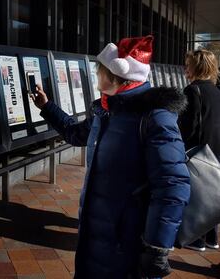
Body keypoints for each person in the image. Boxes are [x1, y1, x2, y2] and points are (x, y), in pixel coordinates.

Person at [31, 36, 190, 278]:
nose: (96, 79)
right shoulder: (105, 111)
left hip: (126, 246)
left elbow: (173, 186)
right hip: (94, 238)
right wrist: (47, 107)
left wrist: (157, 250)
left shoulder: (155, 118)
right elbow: (75, 134)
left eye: (99, 72)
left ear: (114, 76)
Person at [178, 49, 220, 251]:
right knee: (210, 193)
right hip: (215, 150)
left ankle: (194, 239)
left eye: (188, 64)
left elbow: (187, 127)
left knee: (194, 195)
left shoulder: (192, 91)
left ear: (197, 67)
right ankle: (211, 238)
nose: (185, 68)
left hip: (197, 151)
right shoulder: (215, 90)